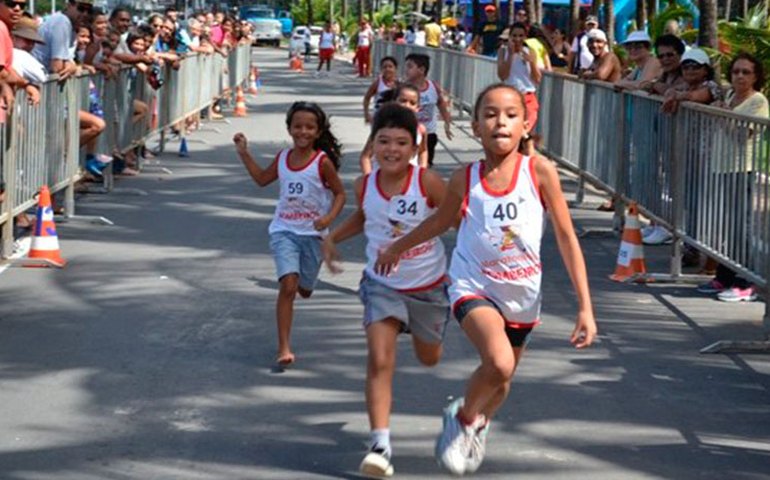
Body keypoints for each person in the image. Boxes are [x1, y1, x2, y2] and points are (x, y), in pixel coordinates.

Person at [374, 83, 597, 475]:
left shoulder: (539, 172)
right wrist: (398, 247)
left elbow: (566, 237)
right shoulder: (466, 177)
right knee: (498, 362)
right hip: (473, 284)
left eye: (511, 115)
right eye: (490, 115)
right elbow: (439, 222)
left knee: (501, 380)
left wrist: (585, 307)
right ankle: (462, 421)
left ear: (526, 125)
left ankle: (476, 421)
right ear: (476, 126)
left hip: (522, 293)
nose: (500, 123)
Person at [322, 102, 450, 479]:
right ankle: (380, 445)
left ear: (414, 147)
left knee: (430, 358)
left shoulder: (427, 182)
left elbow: (450, 218)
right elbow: (366, 216)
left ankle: (416, 328)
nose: (391, 149)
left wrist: (402, 246)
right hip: (382, 285)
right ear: (373, 144)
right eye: (383, 141)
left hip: (428, 286)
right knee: (380, 359)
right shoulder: (364, 184)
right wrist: (333, 238)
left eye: (400, 142)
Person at [233, 102, 346, 367]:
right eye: (298, 126)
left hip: (313, 236)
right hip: (284, 231)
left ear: (318, 132)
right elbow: (262, 179)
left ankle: (307, 284)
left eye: (309, 127)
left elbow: (340, 193)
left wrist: (328, 218)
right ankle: (284, 347)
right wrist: (244, 153)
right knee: (288, 286)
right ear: (289, 129)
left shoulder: (322, 162)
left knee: (304, 289)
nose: (303, 132)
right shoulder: (283, 158)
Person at [697, 52, 767, 303]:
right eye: (736, 71)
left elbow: (742, 135)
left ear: (755, 76)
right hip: (721, 166)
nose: (740, 76)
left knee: (740, 227)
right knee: (725, 225)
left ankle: (745, 281)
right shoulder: (729, 96)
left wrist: (724, 113)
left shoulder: (758, 101)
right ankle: (724, 276)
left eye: (746, 72)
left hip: (741, 168)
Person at [360, 83, 429, 173]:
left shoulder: (420, 130)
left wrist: (422, 170)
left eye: (412, 103)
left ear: (418, 108)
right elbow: (365, 156)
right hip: (382, 178)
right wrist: (369, 177)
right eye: (403, 101)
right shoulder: (383, 127)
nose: (407, 106)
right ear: (394, 102)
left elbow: (423, 151)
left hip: (409, 179)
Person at [403, 53, 453, 166]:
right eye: (406, 66)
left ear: (421, 70)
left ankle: (424, 175)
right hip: (409, 132)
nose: (406, 70)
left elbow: (441, 103)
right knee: (409, 162)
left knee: (426, 163)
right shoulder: (404, 88)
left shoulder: (433, 87)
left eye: (410, 66)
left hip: (429, 133)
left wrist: (447, 122)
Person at [497, 23, 540, 132]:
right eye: (514, 36)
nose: (517, 39)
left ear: (525, 37)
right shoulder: (503, 51)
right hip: (510, 96)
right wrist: (511, 56)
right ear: (510, 37)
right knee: (512, 130)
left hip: (528, 96)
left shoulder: (530, 51)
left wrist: (531, 62)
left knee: (525, 130)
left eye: (521, 36)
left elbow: (537, 79)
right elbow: (502, 76)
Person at [362, 55, 397, 124]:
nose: (387, 69)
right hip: (379, 117)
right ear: (381, 69)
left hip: (394, 118)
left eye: (390, 67)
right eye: (385, 67)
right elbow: (367, 98)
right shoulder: (378, 82)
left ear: (395, 69)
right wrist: (366, 114)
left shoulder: (399, 84)